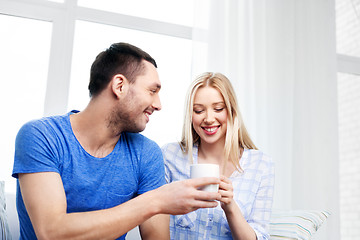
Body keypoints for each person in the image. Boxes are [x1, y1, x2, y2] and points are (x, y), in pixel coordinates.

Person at [12, 43, 221, 240]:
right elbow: (52, 232)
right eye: (152, 91)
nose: (158, 105)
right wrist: (157, 201)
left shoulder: (146, 153)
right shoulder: (41, 136)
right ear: (119, 85)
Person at [162, 72, 275, 240]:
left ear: (232, 111)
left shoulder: (261, 165)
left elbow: (259, 236)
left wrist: (230, 207)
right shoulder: (170, 156)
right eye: (199, 110)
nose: (208, 118)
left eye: (218, 109)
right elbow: (154, 217)